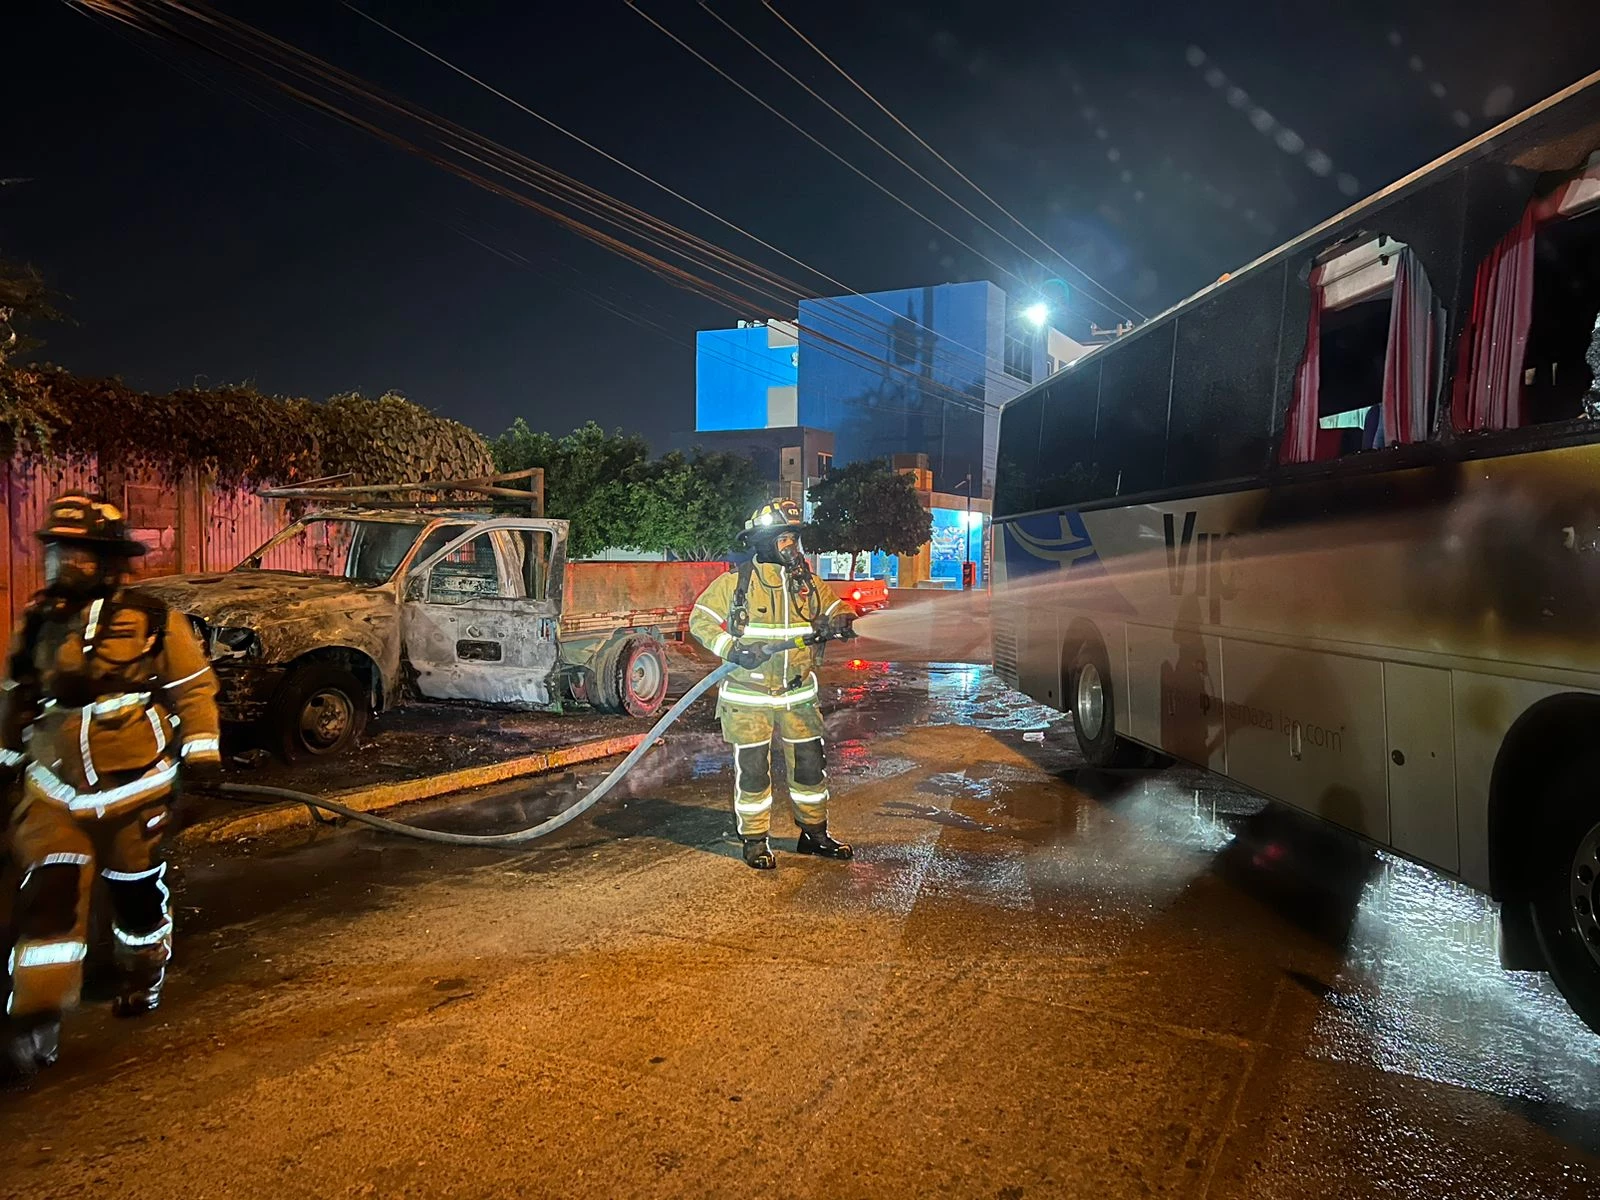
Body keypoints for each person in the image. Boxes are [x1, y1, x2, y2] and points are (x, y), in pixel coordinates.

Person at [0, 495, 221, 1084]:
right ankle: (35, 1015)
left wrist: (202, 754)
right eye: (59, 552)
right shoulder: (39, 623)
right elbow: (15, 697)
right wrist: (3, 761)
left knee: (136, 898)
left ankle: (141, 973)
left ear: (106, 561)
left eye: (80, 553)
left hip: (136, 794)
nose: (66, 564)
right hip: (55, 793)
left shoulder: (151, 619)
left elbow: (195, 689)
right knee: (47, 898)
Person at [690, 498, 855, 870]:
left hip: (797, 695)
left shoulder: (807, 584)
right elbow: (699, 621)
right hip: (748, 697)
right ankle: (754, 840)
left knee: (811, 768)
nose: (791, 547)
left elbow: (836, 609)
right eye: (784, 539)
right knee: (753, 773)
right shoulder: (736, 583)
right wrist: (731, 648)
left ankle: (814, 835)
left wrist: (842, 620)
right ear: (764, 542)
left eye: (794, 539)